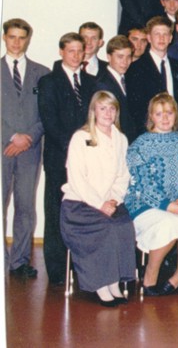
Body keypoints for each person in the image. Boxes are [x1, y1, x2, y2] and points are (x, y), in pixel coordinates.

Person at [59, 91, 136, 306]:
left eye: (112, 108)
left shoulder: (121, 138)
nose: (108, 113)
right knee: (105, 228)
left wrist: (113, 200)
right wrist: (99, 203)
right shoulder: (81, 137)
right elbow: (76, 178)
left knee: (124, 226)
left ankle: (114, 282)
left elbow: (123, 174)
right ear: (93, 111)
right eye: (103, 108)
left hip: (109, 203)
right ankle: (101, 285)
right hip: (79, 205)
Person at [125, 93, 178, 296]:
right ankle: (151, 272)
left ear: (175, 114)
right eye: (159, 114)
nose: (165, 118)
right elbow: (140, 182)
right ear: (151, 116)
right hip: (145, 203)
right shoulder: (140, 145)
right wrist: (167, 205)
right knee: (167, 224)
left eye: (169, 112)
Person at [39, 32, 97, 284]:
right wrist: (73, 148)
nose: (75, 55)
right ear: (61, 52)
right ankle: (57, 270)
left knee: (83, 211)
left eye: (79, 51)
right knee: (56, 212)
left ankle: (80, 267)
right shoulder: (49, 81)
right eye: (70, 50)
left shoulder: (91, 81)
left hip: (88, 159)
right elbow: (49, 121)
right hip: (59, 157)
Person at [2, 19, 48, 279]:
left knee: (25, 206)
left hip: (30, 150)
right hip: (1, 148)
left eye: (21, 37)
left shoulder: (41, 73)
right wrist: (10, 136)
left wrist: (28, 137)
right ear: (4, 38)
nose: (16, 42)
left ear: (28, 39)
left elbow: (46, 113)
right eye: (12, 37)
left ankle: (19, 261)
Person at [126, 16, 178, 137]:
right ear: (149, 38)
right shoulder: (136, 68)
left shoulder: (177, 66)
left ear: (170, 38)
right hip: (148, 134)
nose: (161, 38)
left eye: (165, 34)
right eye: (157, 34)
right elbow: (136, 109)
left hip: (175, 132)